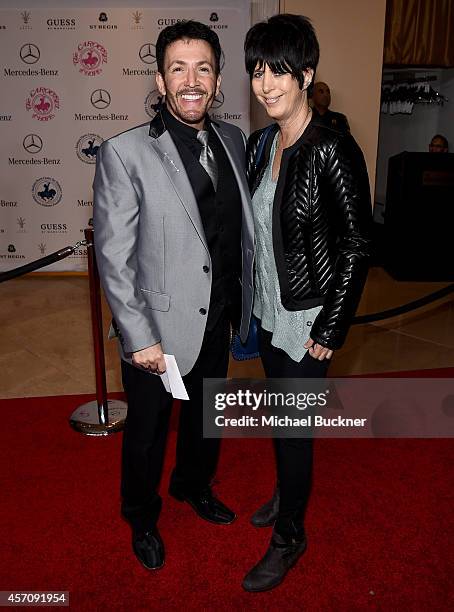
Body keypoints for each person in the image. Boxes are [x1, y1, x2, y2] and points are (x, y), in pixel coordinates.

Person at [93, 20, 254, 571]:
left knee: (207, 418)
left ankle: (193, 485)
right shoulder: (125, 153)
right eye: (178, 68)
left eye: (203, 68)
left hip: (220, 317)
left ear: (216, 79)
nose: (191, 80)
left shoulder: (233, 139)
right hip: (157, 331)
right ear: (160, 81)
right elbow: (113, 258)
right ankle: (140, 514)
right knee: (146, 435)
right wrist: (139, 338)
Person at [242, 14, 372, 591]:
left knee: (295, 431)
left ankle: (290, 535)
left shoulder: (334, 149)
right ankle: (284, 493)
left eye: (280, 70)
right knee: (279, 415)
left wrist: (334, 324)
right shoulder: (261, 143)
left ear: (307, 74)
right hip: (270, 312)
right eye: (257, 71)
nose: (267, 83)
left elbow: (358, 244)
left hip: (309, 320)